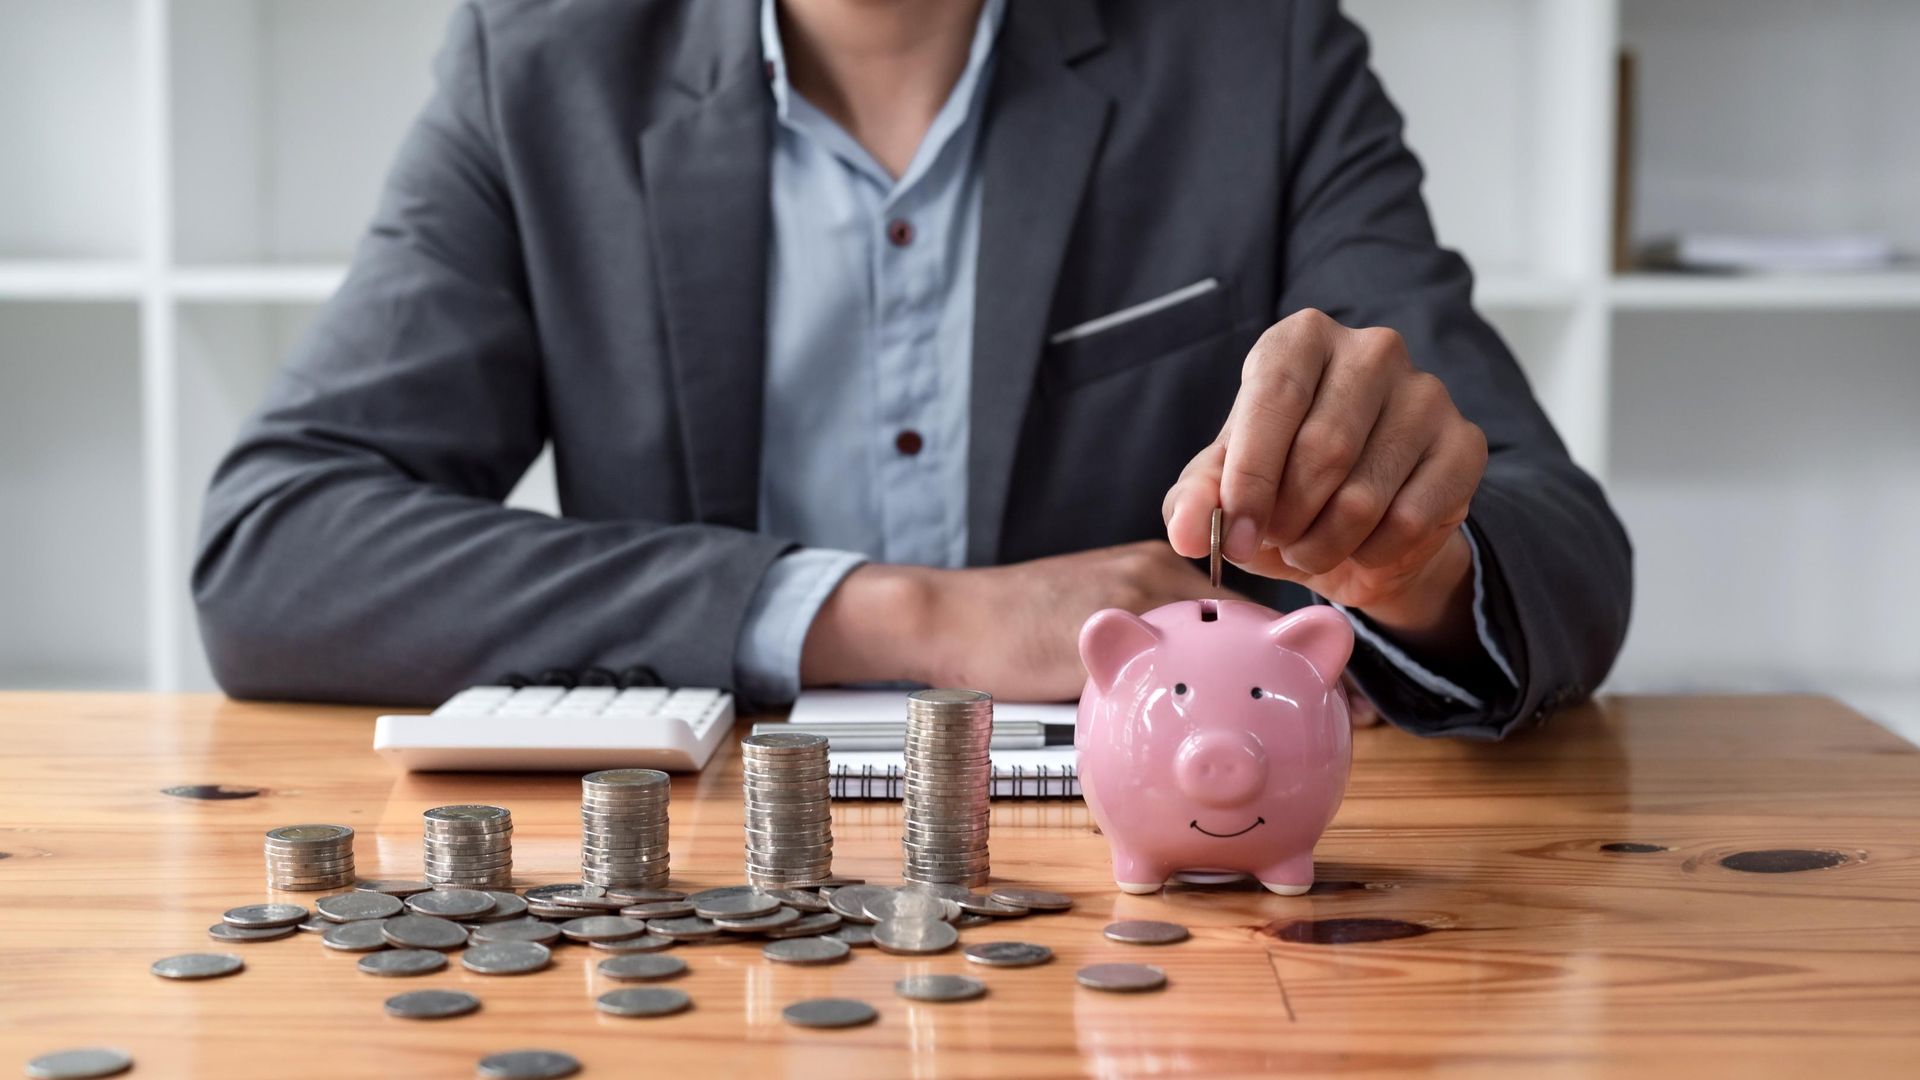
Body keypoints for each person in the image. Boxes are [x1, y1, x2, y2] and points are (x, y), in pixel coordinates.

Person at [193, 0, 1631, 739]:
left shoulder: (1255, 51)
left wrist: (1410, 566)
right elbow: (277, 551)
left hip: (1168, 900)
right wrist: (905, 617)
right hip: (693, 905)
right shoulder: (545, 66)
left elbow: (1556, 538)